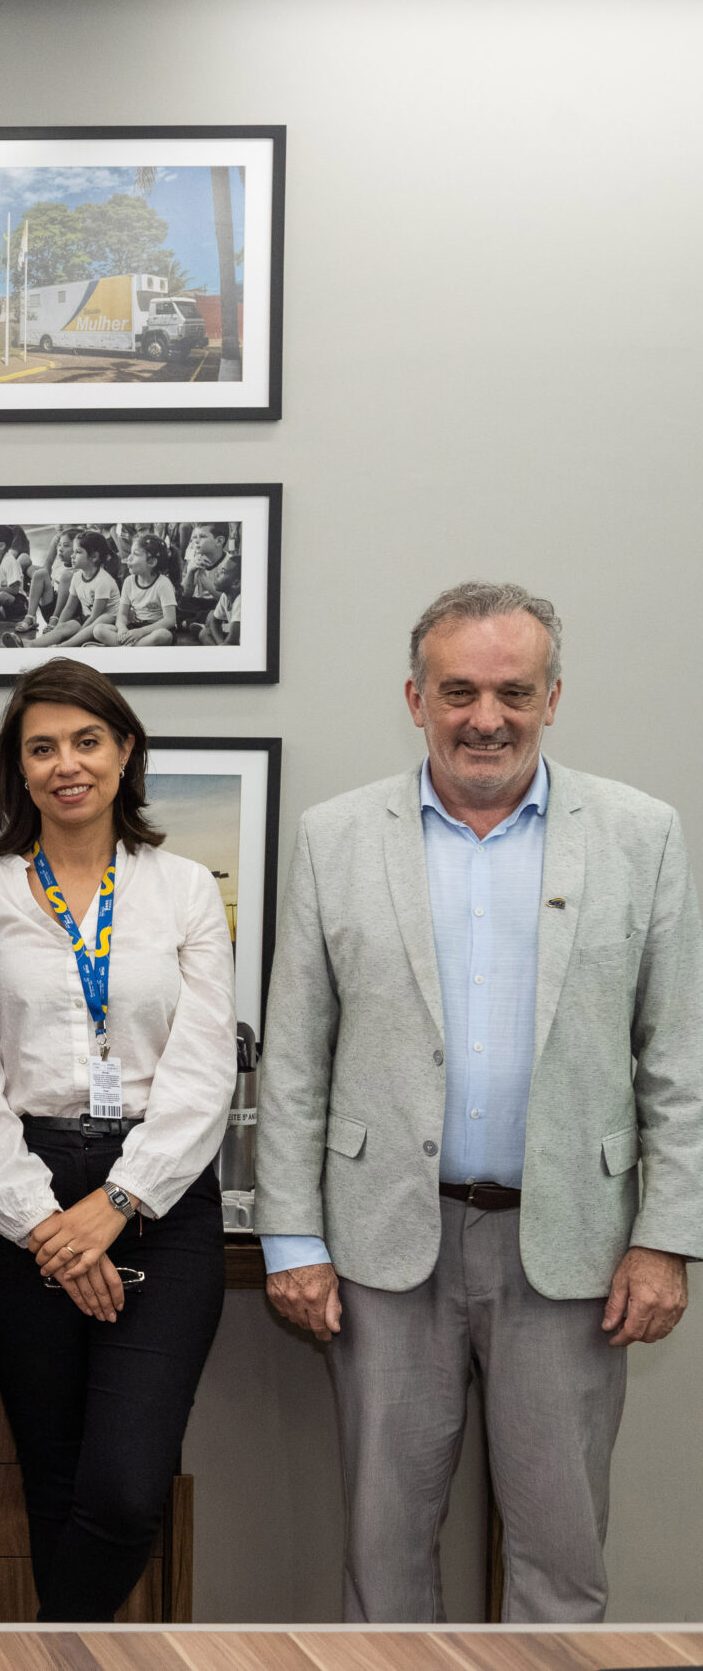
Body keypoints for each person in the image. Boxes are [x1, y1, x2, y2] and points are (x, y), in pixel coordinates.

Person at [257, 582, 699, 1623]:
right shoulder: (334, 836)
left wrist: (667, 1239)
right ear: (416, 698)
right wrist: (292, 1239)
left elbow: (676, 1059)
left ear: (553, 697)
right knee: (383, 1553)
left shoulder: (640, 834)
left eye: (513, 691)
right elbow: (295, 1059)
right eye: (458, 691)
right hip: (380, 1249)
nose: (485, 717)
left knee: (561, 1555)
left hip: (572, 1249)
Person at [0, 658, 237, 1622]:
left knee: (123, 1489)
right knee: (56, 1475)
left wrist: (114, 1203)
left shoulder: (185, 889)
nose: (66, 764)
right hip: (15, 1200)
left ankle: (43, 1651)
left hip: (159, 1197)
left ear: (125, 752)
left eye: (86, 741)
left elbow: (203, 1069)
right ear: (18, 769)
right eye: (42, 748)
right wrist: (44, 1225)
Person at [90, 532, 180, 648]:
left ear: (151, 562)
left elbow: (170, 620)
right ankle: (133, 647)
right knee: (98, 630)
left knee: (163, 635)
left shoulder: (163, 583)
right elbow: (122, 614)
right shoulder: (129, 581)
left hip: (155, 629)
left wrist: (141, 632)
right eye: (130, 553)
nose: (129, 558)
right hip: (135, 627)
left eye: (135, 554)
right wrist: (122, 629)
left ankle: (122, 648)